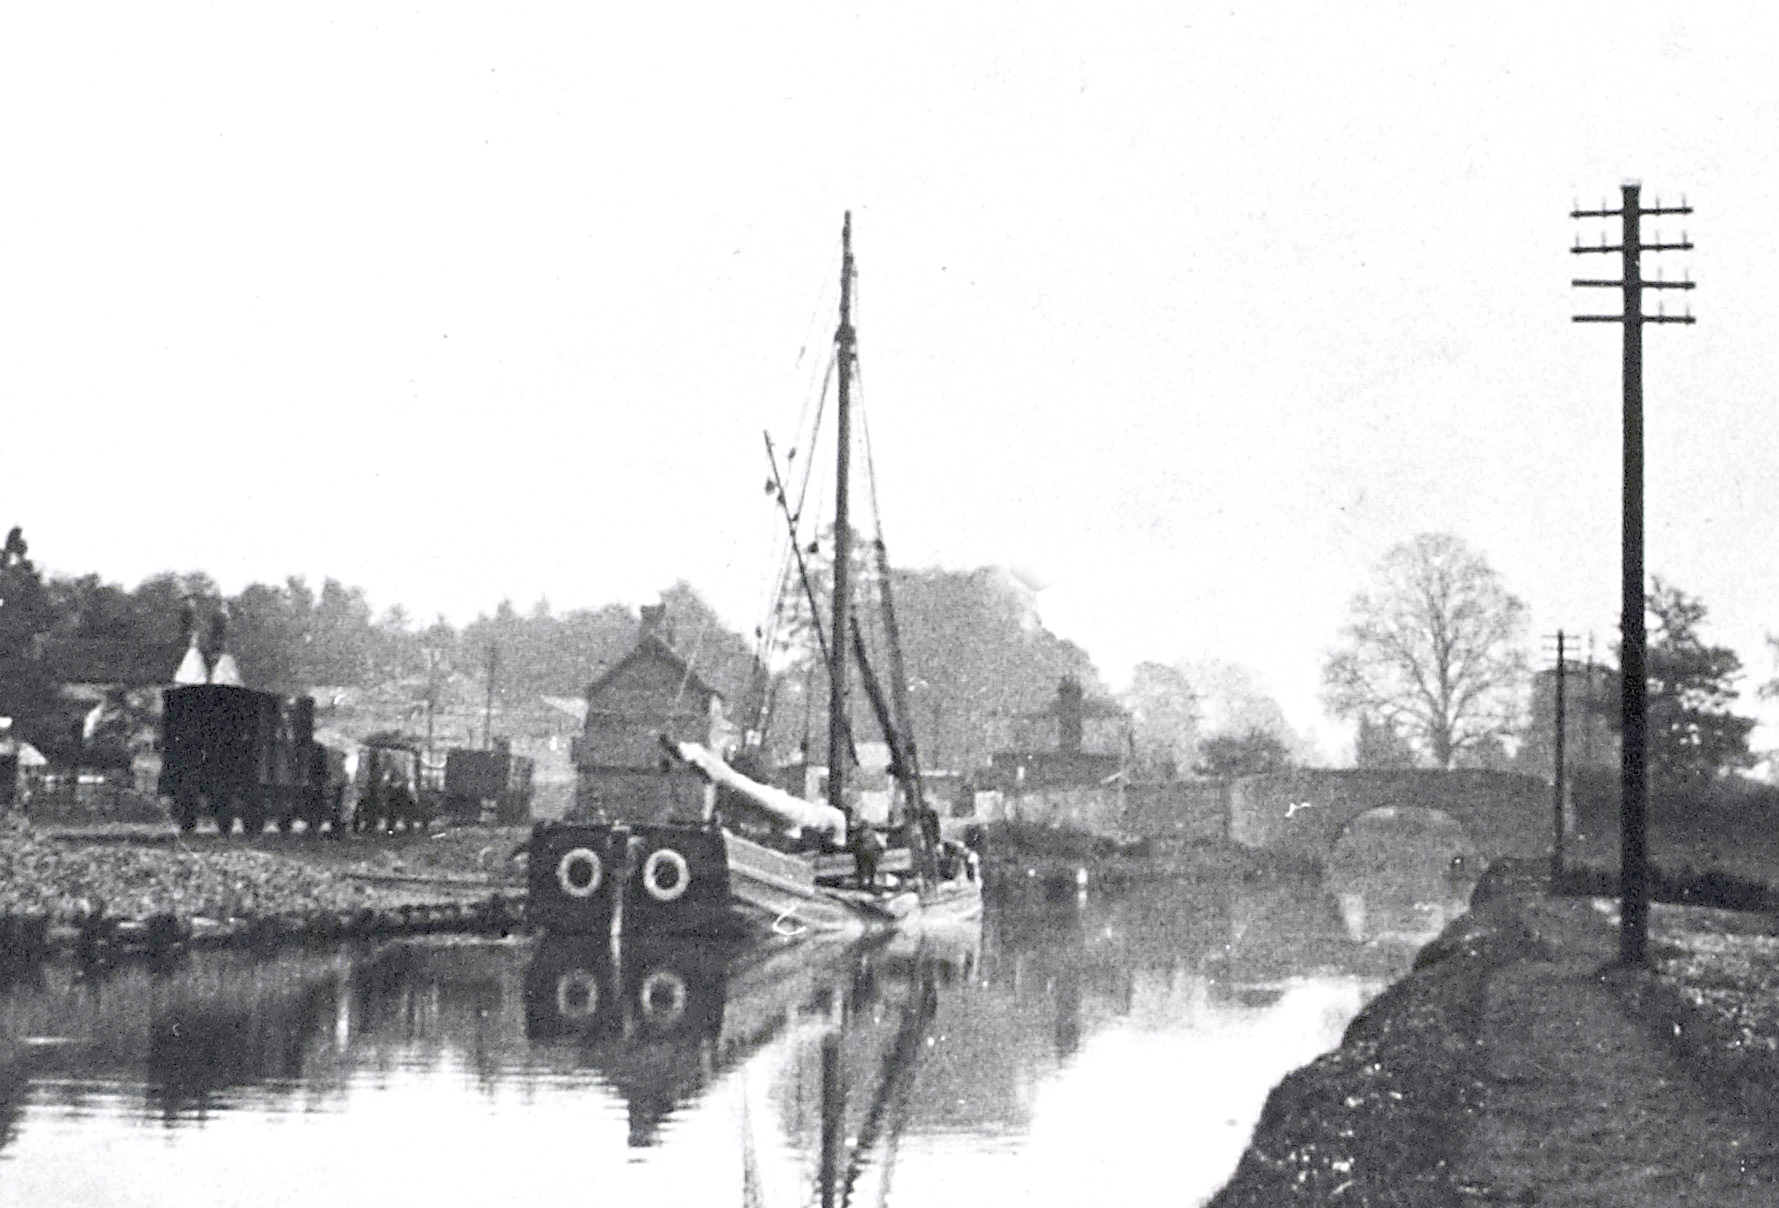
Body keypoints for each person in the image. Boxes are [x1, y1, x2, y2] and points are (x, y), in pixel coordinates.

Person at [852, 823, 884, 889]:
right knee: (872, 868)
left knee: (860, 867)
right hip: (872, 853)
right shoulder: (875, 834)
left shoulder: (857, 835)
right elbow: (882, 845)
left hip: (861, 853)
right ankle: (871, 882)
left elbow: (852, 844)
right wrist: (881, 853)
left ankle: (861, 882)